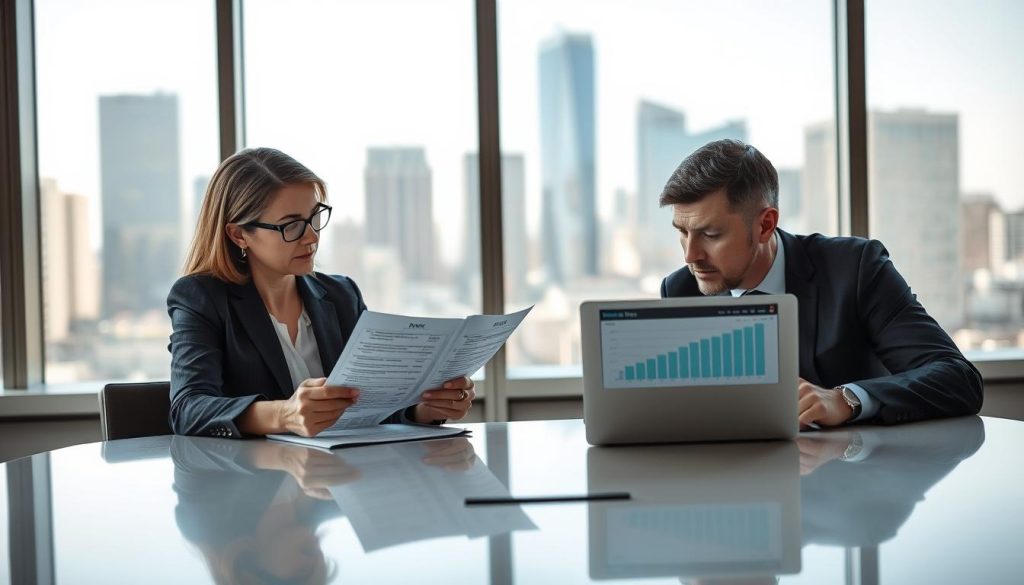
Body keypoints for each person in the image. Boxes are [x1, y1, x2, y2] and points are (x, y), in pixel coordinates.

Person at [658, 139, 982, 428]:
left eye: (710, 235)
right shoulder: (680, 290)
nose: (690, 255)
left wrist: (845, 400)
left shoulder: (853, 268)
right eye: (682, 232)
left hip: (859, 479)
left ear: (765, 225)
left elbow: (958, 378)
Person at [167, 147, 475, 438]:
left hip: (341, 479)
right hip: (252, 484)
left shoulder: (341, 295)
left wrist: (424, 410)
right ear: (238, 235)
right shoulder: (201, 298)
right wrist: (283, 414)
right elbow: (188, 409)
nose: (312, 236)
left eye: (314, 217)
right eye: (291, 226)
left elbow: (369, 408)